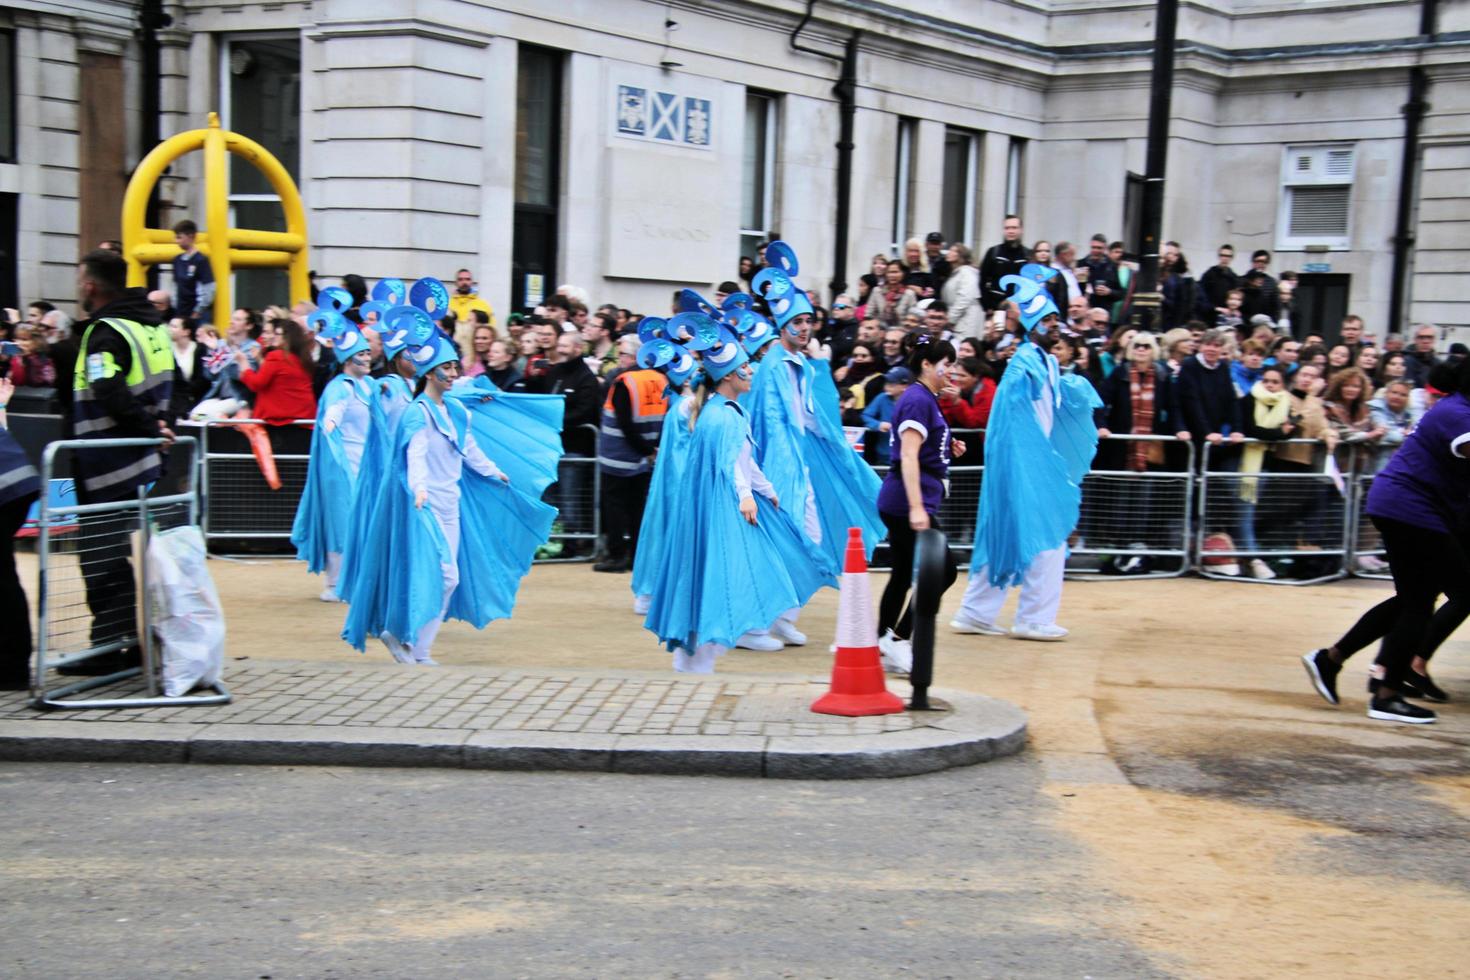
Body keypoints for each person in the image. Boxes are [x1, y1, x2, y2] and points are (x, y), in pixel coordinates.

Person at [343, 330, 558, 666]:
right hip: (424, 507)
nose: (455, 374)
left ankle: (415, 646)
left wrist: (493, 471)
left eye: (456, 367)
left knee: (445, 577)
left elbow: (469, 449)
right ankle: (405, 638)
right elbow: (414, 454)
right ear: (430, 372)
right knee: (443, 576)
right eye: (448, 368)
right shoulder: (418, 412)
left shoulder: (456, 410)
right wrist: (419, 489)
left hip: (450, 505)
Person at [640, 325, 834, 673]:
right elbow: (730, 461)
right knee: (725, 573)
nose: (750, 372)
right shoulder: (723, 414)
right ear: (729, 376)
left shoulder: (721, 410)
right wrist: (747, 495)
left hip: (717, 507)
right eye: (744, 368)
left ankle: (702, 650)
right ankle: (704, 651)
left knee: (716, 572)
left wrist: (766, 488)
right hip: (723, 508)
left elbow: (744, 459)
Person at [1300, 360, 1470, 724]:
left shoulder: (1455, 408)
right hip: (1411, 509)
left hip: (1408, 507)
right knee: (1437, 597)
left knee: (1414, 599)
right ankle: (1387, 692)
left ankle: (1331, 659)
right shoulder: (1459, 414)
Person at [746, 241, 885, 645]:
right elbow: (771, 421)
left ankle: (782, 616)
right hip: (779, 465)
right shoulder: (774, 364)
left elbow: (809, 415)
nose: (805, 327)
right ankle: (757, 623)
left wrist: (834, 444)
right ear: (782, 325)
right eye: (798, 321)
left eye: (809, 320)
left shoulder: (799, 364)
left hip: (799, 463)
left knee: (812, 537)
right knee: (785, 540)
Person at [952, 263, 1100, 641]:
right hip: (1025, 466)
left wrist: (1072, 389)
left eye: (1056, 319)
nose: (1056, 326)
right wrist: (1028, 465)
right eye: (1048, 321)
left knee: (1009, 534)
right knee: (1046, 536)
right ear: (1033, 326)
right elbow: (1011, 423)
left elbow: (1045, 412)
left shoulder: (1046, 363)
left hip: (1031, 464)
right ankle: (1033, 618)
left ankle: (976, 612)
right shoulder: (1023, 367)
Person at [65, 249, 176, 676]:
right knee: (114, 555)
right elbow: (176, 386)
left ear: (91, 285)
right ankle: (121, 643)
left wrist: (150, 426)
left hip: (107, 462)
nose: (79, 286)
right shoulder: (151, 328)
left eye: (80, 279)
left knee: (100, 557)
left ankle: (109, 650)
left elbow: (107, 386)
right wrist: (161, 425)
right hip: (135, 461)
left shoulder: (106, 332)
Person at [874, 339, 965, 672]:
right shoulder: (918, 399)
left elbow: (921, 447)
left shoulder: (925, 398)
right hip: (906, 500)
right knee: (943, 572)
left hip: (904, 498)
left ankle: (881, 641)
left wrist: (946, 447)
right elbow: (908, 454)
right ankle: (897, 639)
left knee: (902, 574)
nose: (952, 370)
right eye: (948, 363)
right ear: (927, 364)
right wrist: (916, 507)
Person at [291, 321, 375, 602]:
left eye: (367, 353)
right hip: (342, 465)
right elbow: (331, 420)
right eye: (360, 354)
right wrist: (329, 427)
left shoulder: (371, 385)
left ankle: (357, 579)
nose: (366, 358)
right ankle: (335, 583)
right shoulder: (340, 388)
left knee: (362, 521)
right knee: (342, 521)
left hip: (366, 465)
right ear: (346, 360)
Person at [630, 338, 701, 616]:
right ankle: (669, 591)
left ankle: (650, 590)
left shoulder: (675, 405)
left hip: (669, 476)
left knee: (659, 527)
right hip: (681, 477)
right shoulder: (688, 405)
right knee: (675, 528)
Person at [594, 337, 668, 573]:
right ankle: (637, 555)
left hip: (619, 456)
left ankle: (617, 556)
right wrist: (652, 449)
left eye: (623, 354)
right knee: (638, 509)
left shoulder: (625, 381)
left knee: (615, 508)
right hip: (647, 456)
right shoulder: (661, 379)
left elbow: (625, 423)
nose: (620, 359)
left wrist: (645, 450)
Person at [0, 377, 40, 689]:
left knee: (2, 578)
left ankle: (13, 669)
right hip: (17, 484)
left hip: (6, 489)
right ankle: (15, 667)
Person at [239, 317, 317, 425]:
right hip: (304, 418)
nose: (273, 337)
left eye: (277, 334)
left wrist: (244, 365)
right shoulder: (303, 358)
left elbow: (256, 384)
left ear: (287, 338)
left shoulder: (276, 355)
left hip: (281, 420)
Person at [861, 366, 911, 465]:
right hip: (884, 454)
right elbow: (865, 415)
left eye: (892, 383)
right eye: (886, 382)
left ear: (904, 386)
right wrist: (877, 425)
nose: (887, 386)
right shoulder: (881, 398)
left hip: (908, 453)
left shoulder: (913, 400)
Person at [979, 215, 1029, 312]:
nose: (1010, 231)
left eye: (1014, 228)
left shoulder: (1027, 256)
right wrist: (987, 306)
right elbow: (982, 281)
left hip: (1020, 309)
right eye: (1007, 228)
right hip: (996, 309)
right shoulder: (993, 253)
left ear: (1021, 230)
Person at [170, 219, 215, 321]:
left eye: (179, 237)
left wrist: (198, 310)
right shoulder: (177, 260)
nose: (177, 241)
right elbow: (175, 286)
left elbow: (209, 288)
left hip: (196, 314)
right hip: (181, 312)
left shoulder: (201, 260)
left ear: (190, 236)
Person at [867, 259, 916, 328]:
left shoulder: (909, 294)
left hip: (901, 331)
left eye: (895, 272)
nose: (892, 275)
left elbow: (913, 317)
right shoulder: (877, 291)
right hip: (879, 331)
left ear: (903, 274)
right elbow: (869, 314)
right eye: (889, 272)